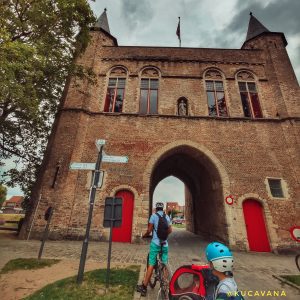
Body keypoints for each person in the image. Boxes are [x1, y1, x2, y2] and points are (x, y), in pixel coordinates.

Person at [136, 202, 172, 297]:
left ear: (156, 208)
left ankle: (144, 287)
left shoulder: (153, 216)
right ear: (163, 208)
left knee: (151, 264)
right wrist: (164, 236)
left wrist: (144, 235)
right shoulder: (167, 217)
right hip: (164, 244)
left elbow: (149, 230)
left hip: (155, 243)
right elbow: (170, 230)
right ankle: (165, 284)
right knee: (164, 262)